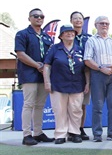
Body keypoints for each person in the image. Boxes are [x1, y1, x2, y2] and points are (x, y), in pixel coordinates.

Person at [15, 8, 54, 145]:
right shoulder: (22, 34)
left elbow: (51, 55)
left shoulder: (47, 37)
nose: (39, 18)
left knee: (40, 105)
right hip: (29, 74)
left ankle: (38, 133)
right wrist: (37, 65)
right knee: (29, 104)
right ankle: (27, 135)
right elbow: (21, 54)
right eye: (36, 16)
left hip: (44, 75)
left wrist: (46, 68)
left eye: (42, 16)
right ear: (29, 18)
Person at [43, 24, 88, 144]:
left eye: (72, 32)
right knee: (60, 110)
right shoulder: (54, 49)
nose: (70, 34)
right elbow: (47, 66)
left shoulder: (80, 49)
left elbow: (86, 69)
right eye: (67, 32)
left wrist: (88, 83)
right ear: (61, 36)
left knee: (76, 110)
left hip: (77, 84)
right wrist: (47, 82)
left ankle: (74, 133)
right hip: (58, 84)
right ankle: (60, 134)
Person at [83, 16, 112, 142]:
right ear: (96, 25)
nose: (104, 25)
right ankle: (97, 134)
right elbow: (87, 60)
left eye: (106, 23)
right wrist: (101, 68)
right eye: (102, 23)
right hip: (98, 74)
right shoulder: (91, 41)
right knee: (98, 106)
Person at [71, 11, 91, 140]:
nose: (78, 20)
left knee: (82, 104)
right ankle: (71, 129)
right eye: (75, 18)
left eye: (80, 18)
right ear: (71, 21)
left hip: (86, 74)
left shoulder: (89, 38)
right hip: (70, 74)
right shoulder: (67, 35)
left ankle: (80, 128)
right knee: (71, 105)